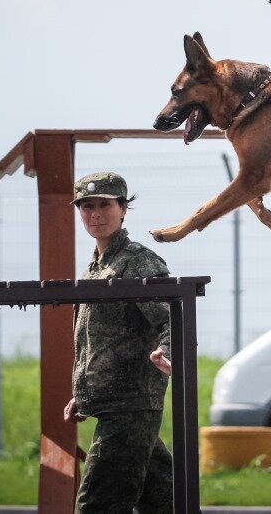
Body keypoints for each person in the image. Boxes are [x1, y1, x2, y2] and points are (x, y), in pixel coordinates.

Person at [63, 172, 174, 513]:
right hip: (119, 404)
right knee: (165, 501)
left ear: (123, 209)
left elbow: (171, 317)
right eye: (87, 206)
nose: (95, 214)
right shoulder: (97, 267)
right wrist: (84, 393)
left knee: (97, 506)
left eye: (105, 205)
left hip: (131, 405)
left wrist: (169, 352)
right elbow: (96, 340)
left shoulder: (138, 261)